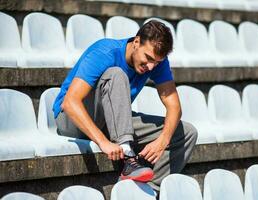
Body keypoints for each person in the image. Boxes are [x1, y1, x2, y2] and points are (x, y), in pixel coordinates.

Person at [52, 20, 197, 191]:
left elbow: (174, 106)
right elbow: (70, 103)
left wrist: (163, 140)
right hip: (72, 120)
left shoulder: (156, 62)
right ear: (136, 42)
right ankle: (129, 159)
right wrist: (103, 142)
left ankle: (146, 190)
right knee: (116, 74)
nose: (151, 66)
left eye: (157, 62)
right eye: (148, 58)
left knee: (186, 133)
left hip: (111, 121)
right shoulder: (106, 52)